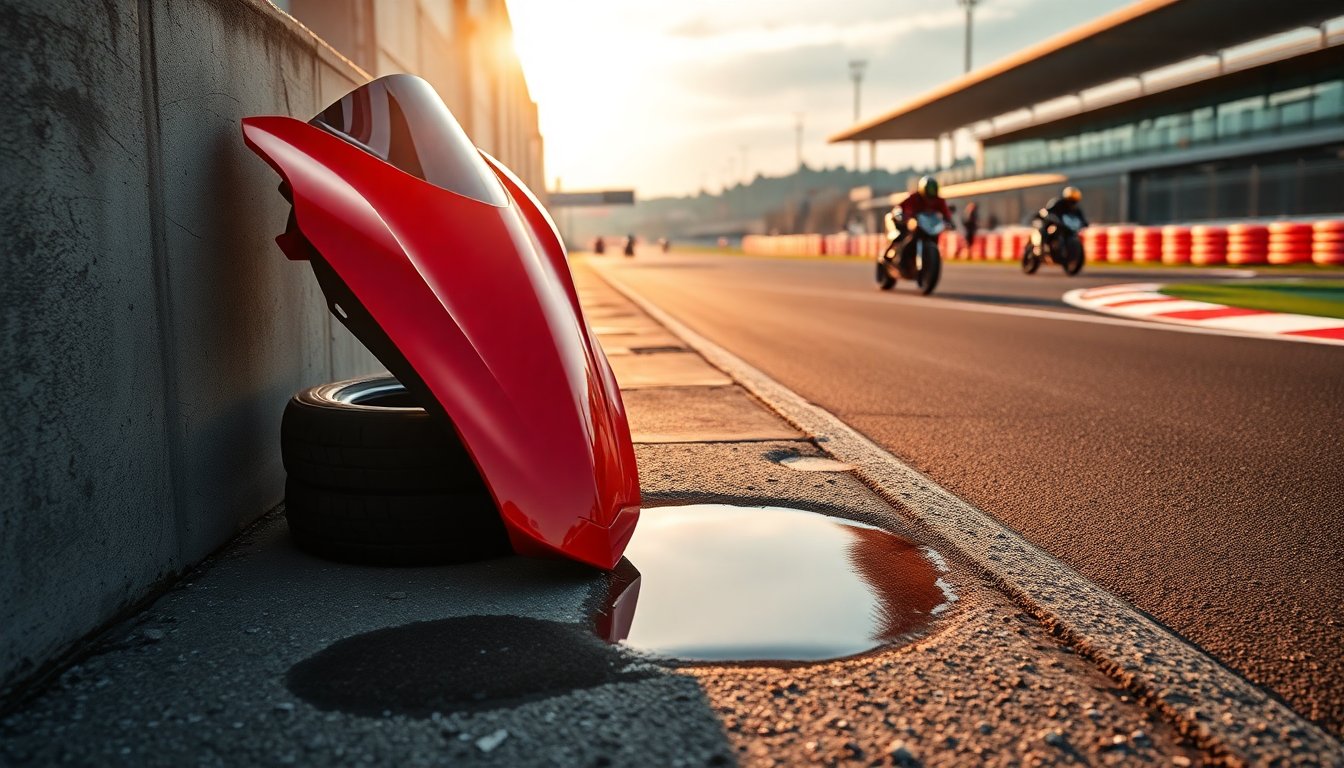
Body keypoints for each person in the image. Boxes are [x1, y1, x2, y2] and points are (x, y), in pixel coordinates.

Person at [885, 176, 954, 259]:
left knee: (935, 238)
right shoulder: (913, 198)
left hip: (929, 228)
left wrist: (950, 221)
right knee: (900, 236)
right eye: (928, 193)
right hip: (912, 226)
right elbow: (899, 208)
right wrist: (899, 215)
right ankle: (887, 255)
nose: (930, 199)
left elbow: (946, 213)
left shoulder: (939, 200)